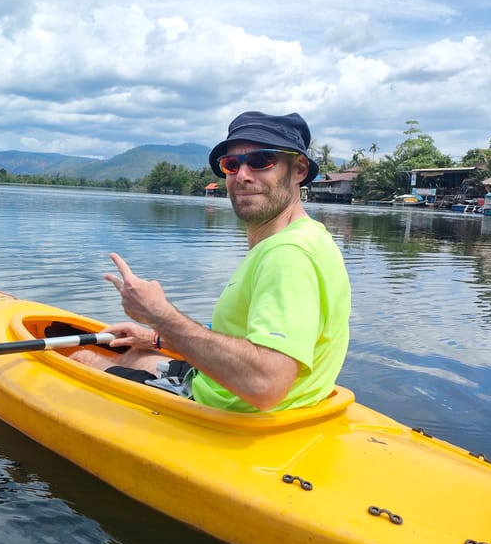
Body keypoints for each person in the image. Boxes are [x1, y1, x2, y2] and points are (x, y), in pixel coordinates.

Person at [71, 111, 351, 412]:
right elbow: (247, 340)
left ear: (298, 169)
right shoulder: (311, 237)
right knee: (133, 355)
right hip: (233, 394)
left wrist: (159, 314)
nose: (243, 175)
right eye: (232, 164)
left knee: (80, 358)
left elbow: (266, 384)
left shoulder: (288, 255)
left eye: (261, 161)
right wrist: (156, 337)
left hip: (231, 418)